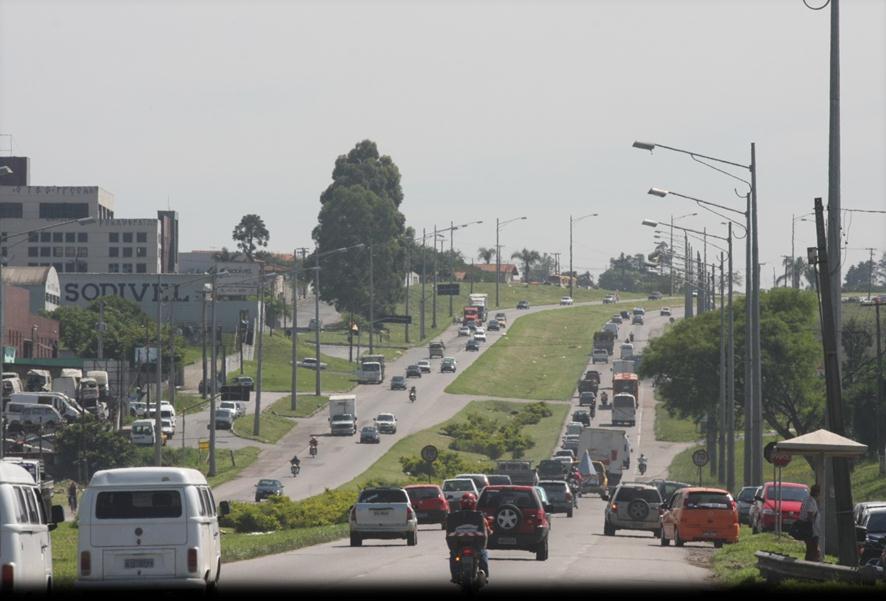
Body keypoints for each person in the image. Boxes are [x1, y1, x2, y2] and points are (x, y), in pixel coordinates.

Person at [446, 493, 491, 582]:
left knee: (454, 556)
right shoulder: (480, 516)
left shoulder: (454, 516)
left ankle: (455, 575)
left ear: (461, 504)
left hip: (458, 545)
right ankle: (483, 572)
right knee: (483, 553)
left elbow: (448, 528)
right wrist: (489, 531)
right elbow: (487, 529)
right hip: (475, 545)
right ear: (474, 503)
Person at [799, 484, 822, 561]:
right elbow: (810, 515)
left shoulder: (807, 499)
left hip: (809, 529)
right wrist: (812, 529)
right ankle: (812, 562)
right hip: (811, 530)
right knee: (813, 549)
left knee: (810, 549)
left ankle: (809, 561)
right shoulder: (811, 501)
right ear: (817, 493)